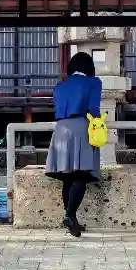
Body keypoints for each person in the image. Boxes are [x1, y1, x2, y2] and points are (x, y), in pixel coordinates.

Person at [46, 52, 102, 237]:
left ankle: (72, 220)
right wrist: (99, 122)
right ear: (89, 67)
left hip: (61, 129)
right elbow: (93, 109)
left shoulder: (60, 85)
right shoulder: (94, 83)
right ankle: (70, 216)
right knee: (82, 174)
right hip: (81, 127)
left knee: (68, 176)